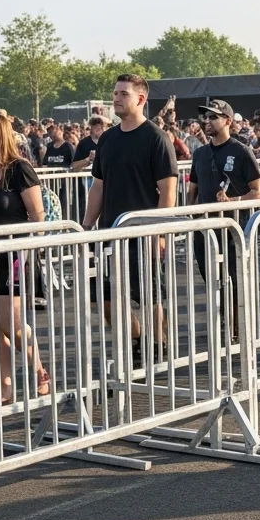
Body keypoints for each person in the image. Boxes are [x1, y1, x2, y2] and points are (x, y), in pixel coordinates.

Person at [80, 74, 178, 364]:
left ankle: (160, 345)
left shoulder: (155, 138)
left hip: (143, 234)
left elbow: (168, 190)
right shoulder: (108, 139)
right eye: (115, 93)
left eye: (123, 93)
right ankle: (138, 341)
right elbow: (98, 186)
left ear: (140, 99)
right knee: (108, 301)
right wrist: (86, 227)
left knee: (151, 298)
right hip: (111, 234)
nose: (116, 98)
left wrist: (158, 233)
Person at [0, 113, 50, 404]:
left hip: (12, 256)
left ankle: (39, 369)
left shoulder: (19, 169)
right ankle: (5, 389)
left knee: (11, 323)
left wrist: (27, 253)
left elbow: (37, 216)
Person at [188, 100, 260, 330]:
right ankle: (224, 320)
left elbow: (258, 191)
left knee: (235, 277)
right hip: (205, 228)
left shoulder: (241, 151)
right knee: (212, 277)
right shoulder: (200, 153)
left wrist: (234, 201)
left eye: (213, 117)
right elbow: (193, 190)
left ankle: (238, 327)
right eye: (205, 117)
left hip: (233, 227)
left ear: (228, 121)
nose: (207, 121)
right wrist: (190, 215)